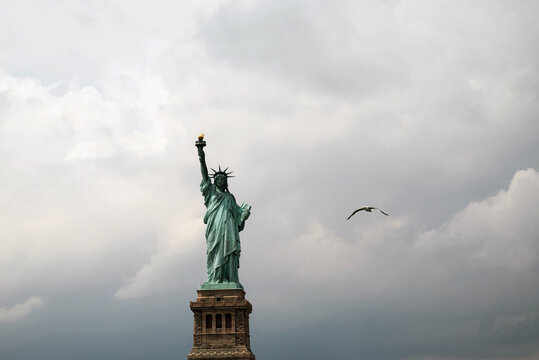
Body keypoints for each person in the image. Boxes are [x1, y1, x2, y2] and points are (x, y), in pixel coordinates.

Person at [196, 139, 251, 286]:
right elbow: (204, 173)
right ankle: (215, 279)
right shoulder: (211, 193)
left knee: (228, 252)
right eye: (218, 178)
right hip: (214, 228)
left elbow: (239, 216)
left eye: (222, 179)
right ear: (214, 182)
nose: (220, 180)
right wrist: (201, 153)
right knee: (214, 252)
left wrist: (244, 214)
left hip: (228, 229)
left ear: (225, 182)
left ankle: (229, 279)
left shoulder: (229, 197)